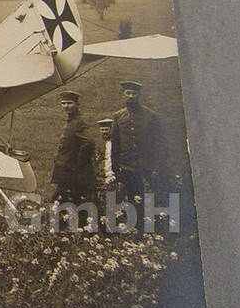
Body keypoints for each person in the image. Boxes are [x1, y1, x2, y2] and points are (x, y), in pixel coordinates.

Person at [110, 80, 165, 204]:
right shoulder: (118, 116)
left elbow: (160, 144)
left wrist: (156, 166)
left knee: (154, 201)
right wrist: (116, 167)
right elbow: (115, 143)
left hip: (147, 167)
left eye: (134, 93)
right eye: (128, 93)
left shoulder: (151, 116)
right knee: (132, 201)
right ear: (123, 95)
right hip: (127, 167)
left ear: (139, 95)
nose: (131, 96)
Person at [49, 90, 98, 228]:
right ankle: (69, 228)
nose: (66, 106)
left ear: (77, 104)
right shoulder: (71, 122)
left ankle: (68, 229)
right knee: (66, 201)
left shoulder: (77, 123)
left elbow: (88, 143)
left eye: (69, 103)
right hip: (66, 171)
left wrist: (78, 163)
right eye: (63, 103)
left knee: (65, 201)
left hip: (70, 172)